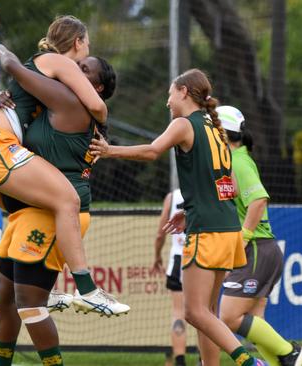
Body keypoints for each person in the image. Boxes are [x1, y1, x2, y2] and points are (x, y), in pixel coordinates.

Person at [89, 68, 268, 366]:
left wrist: (108, 150)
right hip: (227, 229)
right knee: (208, 314)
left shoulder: (185, 124)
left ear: (184, 92)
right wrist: (191, 209)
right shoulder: (216, 128)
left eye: (170, 94)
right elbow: (230, 185)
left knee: (194, 312)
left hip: (208, 232)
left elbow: (151, 151)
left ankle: (249, 363)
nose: (167, 102)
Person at [0, 15, 127, 313]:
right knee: (67, 199)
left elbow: (19, 94)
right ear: (78, 42)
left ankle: (37, 290)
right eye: (87, 44)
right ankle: (88, 290)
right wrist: (99, 122)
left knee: (32, 208)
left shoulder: (44, 77)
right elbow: (97, 105)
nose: (86, 53)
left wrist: (3, 93)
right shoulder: (59, 61)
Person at [0, 46, 127, 366]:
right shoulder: (54, 106)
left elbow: (22, 72)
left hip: (58, 213)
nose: (74, 69)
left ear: (98, 88)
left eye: (85, 69)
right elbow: (18, 112)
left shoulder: (75, 106)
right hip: (36, 209)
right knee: (4, 297)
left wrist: (2, 52)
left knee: (28, 304)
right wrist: (2, 103)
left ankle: (84, 292)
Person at [213, 106, 302, 366]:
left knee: (229, 317)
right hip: (262, 250)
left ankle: (290, 352)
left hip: (256, 249)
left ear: (222, 134)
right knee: (256, 325)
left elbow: (258, 200)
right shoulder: (233, 161)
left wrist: (243, 237)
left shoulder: (239, 162)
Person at [153, 189, 187, 366]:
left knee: (178, 313)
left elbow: (160, 234)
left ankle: (180, 361)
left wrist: (157, 256)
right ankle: (206, 360)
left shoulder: (172, 197)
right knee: (207, 312)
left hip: (178, 260)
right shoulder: (206, 189)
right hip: (201, 256)